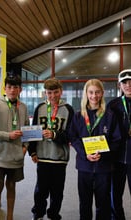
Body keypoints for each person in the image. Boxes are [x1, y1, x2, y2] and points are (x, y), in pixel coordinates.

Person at [69, 79, 121, 220]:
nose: (94, 96)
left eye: (97, 92)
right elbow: (73, 138)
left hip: (104, 167)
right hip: (84, 167)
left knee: (103, 204)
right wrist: (85, 153)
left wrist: (103, 154)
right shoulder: (79, 116)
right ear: (86, 93)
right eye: (91, 92)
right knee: (84, 203)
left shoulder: (110, 115)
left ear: (102, 93)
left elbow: (116, 140)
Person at [0, 74, 29, 220]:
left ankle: (9, 217)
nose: (12, 90)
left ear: (20, 89)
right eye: (9, 87)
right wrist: (8, 135)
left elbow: (27, 130)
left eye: (15, 87)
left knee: (11, 186)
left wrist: (25, 147)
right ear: (5, 88)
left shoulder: (23, 107)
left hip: (16, 156)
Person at [28, 78, 74, 220]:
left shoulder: (68, 109)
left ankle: (54, 215)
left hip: (59, 158)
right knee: (40, 190)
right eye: (49, 93)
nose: (52, 96)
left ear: (61, 91)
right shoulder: (39, 108)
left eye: (55, 92)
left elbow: (71, 135)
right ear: (45, 93)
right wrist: (32, 151)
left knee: (57, 191)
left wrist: (54, 134)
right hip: (42, 156)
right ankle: (38, 214)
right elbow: (33, 131)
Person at [107, 69, 131, 220]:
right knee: (115, 193)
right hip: (116, 158)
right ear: (119, 85)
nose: (128, 85)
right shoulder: (113, 105)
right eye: (125, 83)